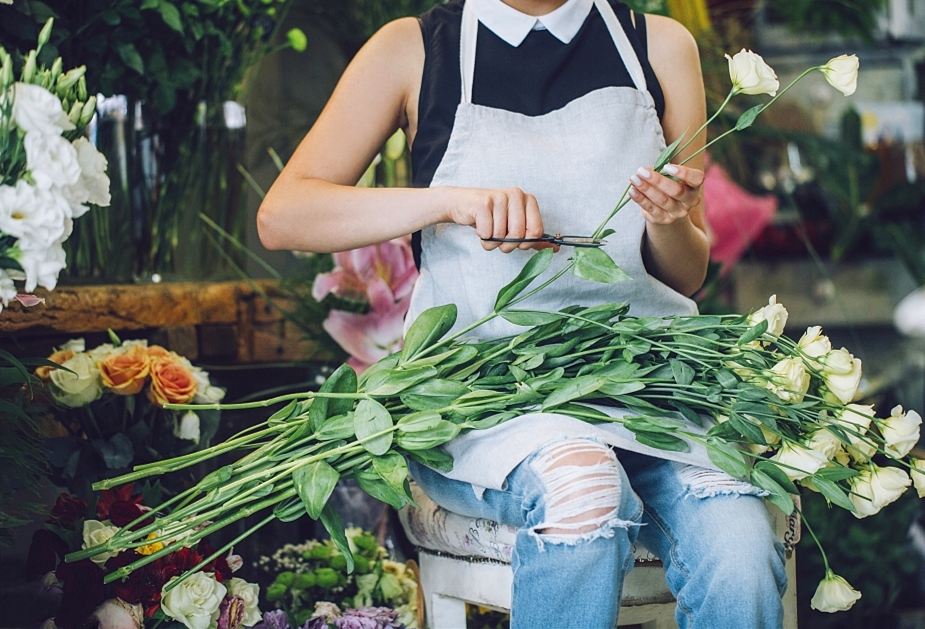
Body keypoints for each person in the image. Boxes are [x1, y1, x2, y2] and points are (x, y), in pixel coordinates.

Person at [258, 0, 787, 627]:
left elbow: (684, 273)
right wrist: (447, 203)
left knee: (740, 548)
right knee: (583, 491)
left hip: (650, 389)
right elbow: (284, 214)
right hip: (486, 398)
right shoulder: (414, 49)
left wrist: (667, 221)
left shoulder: (660, 46)